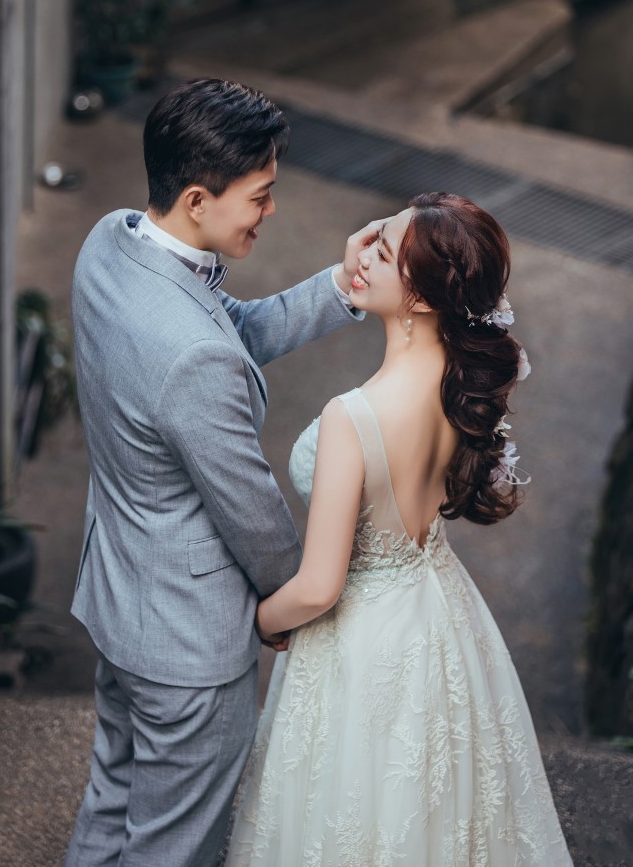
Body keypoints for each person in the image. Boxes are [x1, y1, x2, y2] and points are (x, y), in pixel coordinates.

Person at [64, 78, 380, 867]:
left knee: (112, 801)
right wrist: (291, 603)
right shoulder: (194, 358)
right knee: (173, 848)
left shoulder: (110, 243)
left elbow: (223, 330)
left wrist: (340, 287)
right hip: (188, 650)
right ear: (198, 199)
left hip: (119, 603)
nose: (271, 210)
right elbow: (254, 515)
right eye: (260, 196)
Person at [225, 193, 573, 867]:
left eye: (381, 252)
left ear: (420, 296)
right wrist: (387, 241)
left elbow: (320, 586)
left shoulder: (353, 417)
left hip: (362, 642)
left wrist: (258, 620)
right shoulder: (461, 388)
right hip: (437, 612)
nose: (361, 257)